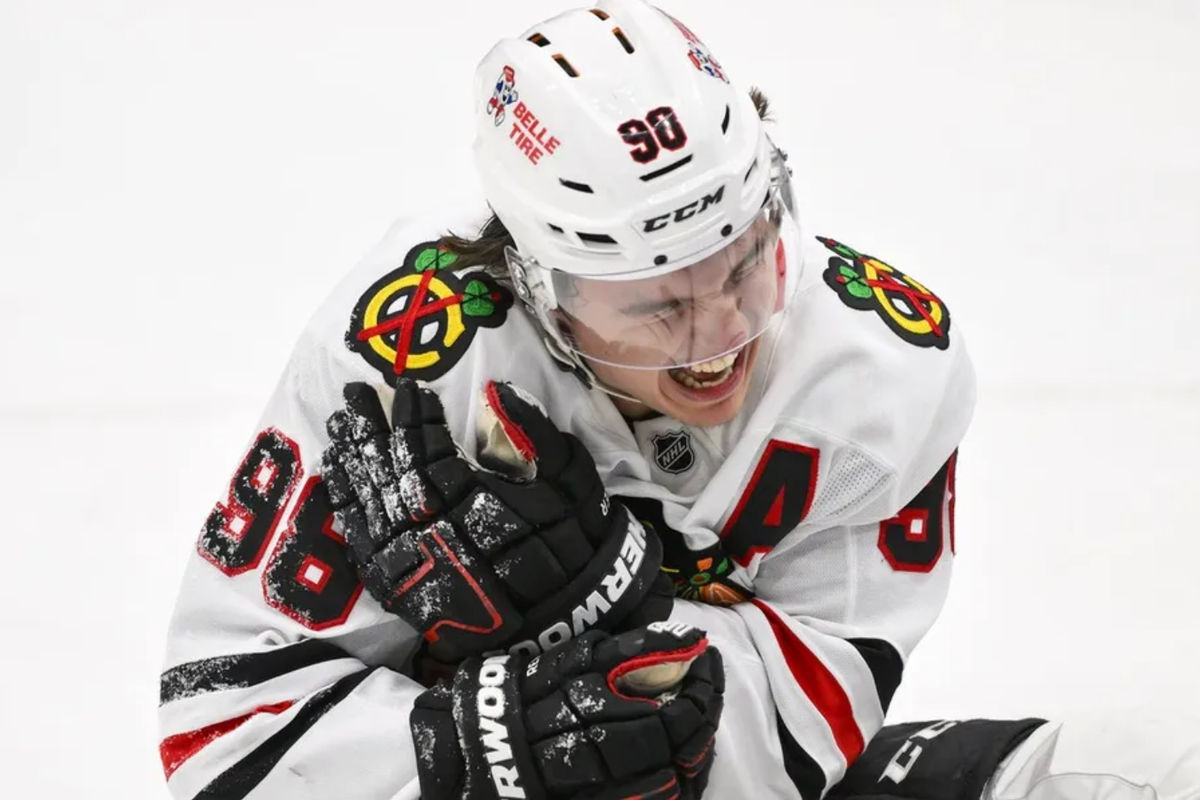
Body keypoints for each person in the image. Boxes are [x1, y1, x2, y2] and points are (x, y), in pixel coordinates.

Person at [158, 2, 1200, 799]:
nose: (717, 340)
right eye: (656, 305)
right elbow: (224, 733)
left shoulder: (882, 370)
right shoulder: (410, 358)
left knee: (1151, 758)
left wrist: (608, 617)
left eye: (744, 265)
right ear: (540, 280)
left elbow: (797, 738)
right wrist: (476, 751)